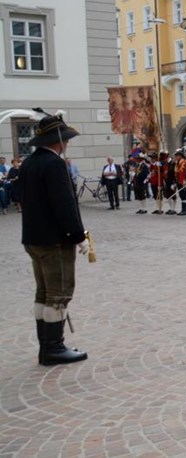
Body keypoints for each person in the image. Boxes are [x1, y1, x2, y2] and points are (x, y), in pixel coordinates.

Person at [20, 113, 88, 366]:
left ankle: (46, 348)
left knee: (43, 293)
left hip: (34, 239)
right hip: (54, 241)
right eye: (66, 139)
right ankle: (53, 348)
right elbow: (65, 205)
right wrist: (78, 236)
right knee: (58, 295)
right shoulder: (55, 164)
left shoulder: (29, 163)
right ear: (59, 140)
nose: (68, 143)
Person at [170, 149, 186, 216]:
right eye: (176, 156)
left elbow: (184, 173)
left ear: (181, 156)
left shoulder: (184, 162)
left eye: (177, 155)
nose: (176, 157)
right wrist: (175, 182)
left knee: (184, 195)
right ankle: (183, 209)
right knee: (181, 195)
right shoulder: (177, 163)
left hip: (183, 181)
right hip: (178, 181)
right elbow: (176, 173)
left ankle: (185, 210)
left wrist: (184, 181)